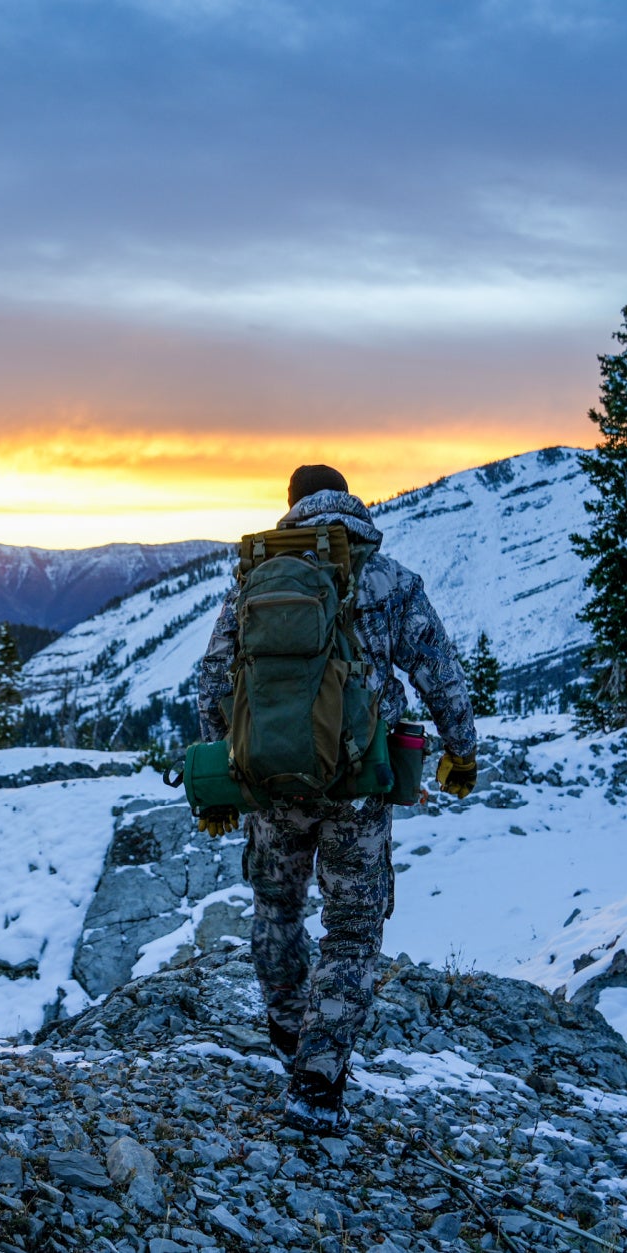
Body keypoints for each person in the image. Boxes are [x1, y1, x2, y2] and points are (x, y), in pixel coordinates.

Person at [196, 463, 479, 1132]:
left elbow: (213, 680)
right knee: (351, 929)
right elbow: (440, 671)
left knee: (276, 911)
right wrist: (460, 750)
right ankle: (318, 1080)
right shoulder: (386, 576)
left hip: (272, 784)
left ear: (291, 506)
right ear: (350, 500)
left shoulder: (256, 579)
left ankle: (293, 1034)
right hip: (359, 785)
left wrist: (228, 771)